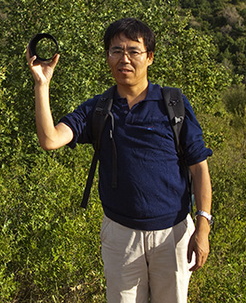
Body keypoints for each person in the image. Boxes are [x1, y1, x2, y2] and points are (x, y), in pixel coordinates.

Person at [27, 17, 213, 303]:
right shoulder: (98, 108)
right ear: (107, 57)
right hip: (121, 236)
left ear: (149, 57)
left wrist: (202, 227)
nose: (124, 59)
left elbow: (199, 168)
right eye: (116, 51)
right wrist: (42, 84)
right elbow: (50, 140)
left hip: (173, 233)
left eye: (133, 51)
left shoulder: (172, 104)